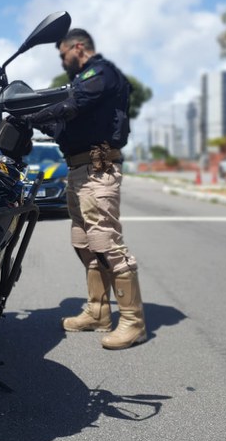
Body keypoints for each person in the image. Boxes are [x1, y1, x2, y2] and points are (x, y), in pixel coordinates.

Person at [24, 28, 147, 350]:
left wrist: (33, 110)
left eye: (63, 54)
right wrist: (27, 117)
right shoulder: (81, 83)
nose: (63, 61)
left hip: (98, 169)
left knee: (106, 244)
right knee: (83, 242)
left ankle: (134, 322)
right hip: (77, 170)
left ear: (78, 47)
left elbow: (72, 104)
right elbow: (60, 124)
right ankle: (98, 311)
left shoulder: (101, 73)